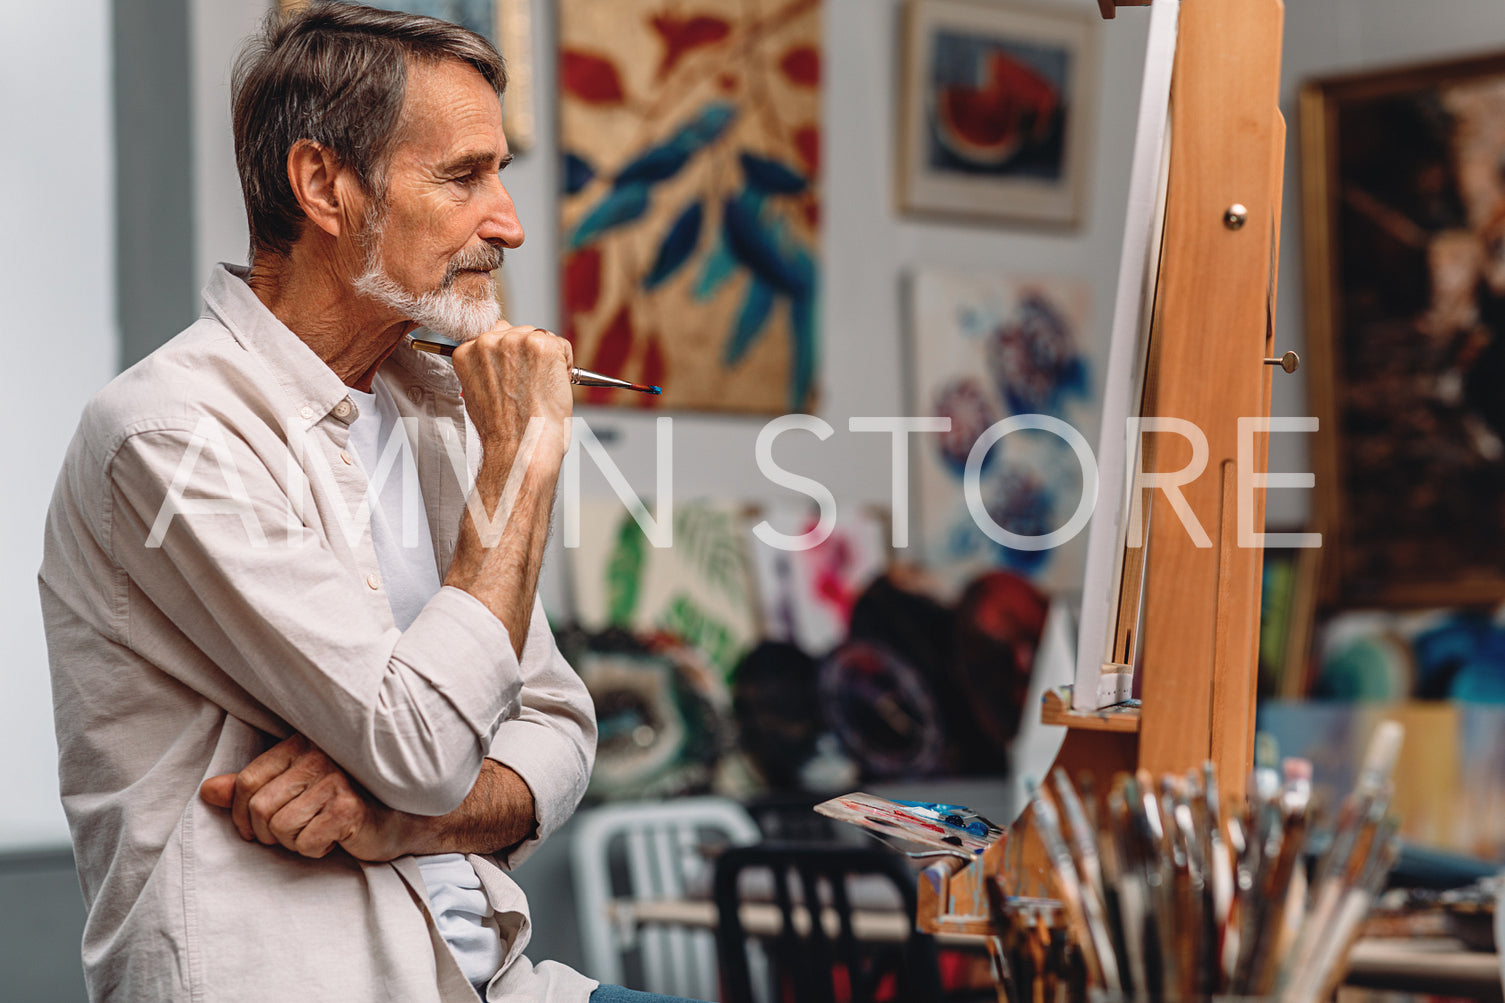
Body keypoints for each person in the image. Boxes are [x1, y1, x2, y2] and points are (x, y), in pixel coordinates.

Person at [39, 4, 707, 1001]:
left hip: (497, 980)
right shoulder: (168, 434)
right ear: (324, 185)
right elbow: (424, 745)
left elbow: (562, 725)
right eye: (464, 175)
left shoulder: (430, 408)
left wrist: (409, 817)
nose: (509, 223)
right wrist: (519, 466)